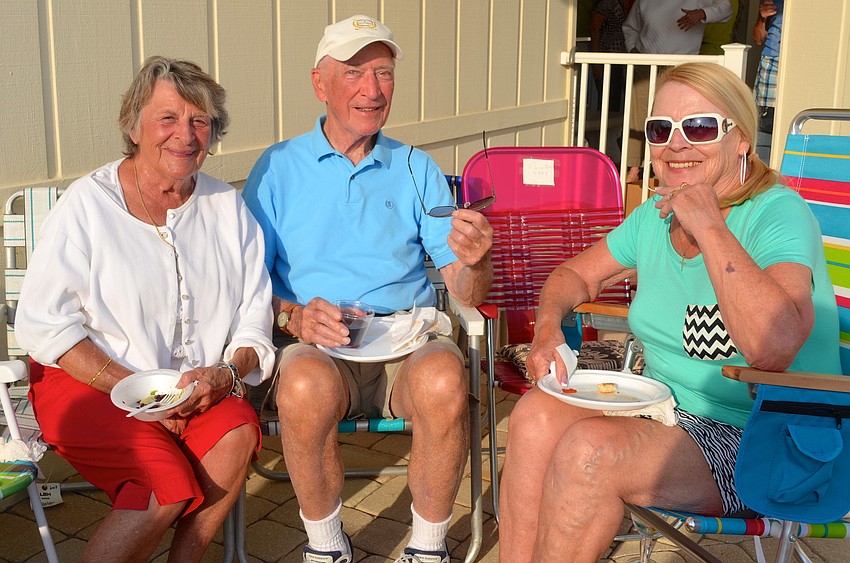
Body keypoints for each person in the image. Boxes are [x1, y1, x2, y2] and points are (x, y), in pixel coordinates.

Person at [497, 61, 840, 562]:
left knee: (591, 452)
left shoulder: (777, 213)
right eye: (661, 129)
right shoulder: (653, 217)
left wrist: (710, 224)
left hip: (763, 435)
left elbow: (774, 347)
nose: (676, 144)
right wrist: (549, 329)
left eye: (699, 127)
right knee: (533, 417)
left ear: (741, 140)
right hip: (665, 411)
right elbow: (573, 277)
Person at [241, 14, 493, 563]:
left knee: (446, 378)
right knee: (304, 386)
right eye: (355, 72)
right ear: (319, 82)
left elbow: (466, 291)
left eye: (383, 73)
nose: (372, 90)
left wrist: (475, 259)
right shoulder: (279, 168)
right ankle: (328, 547)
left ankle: (428, 548)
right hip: (316, 344)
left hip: (405, 338)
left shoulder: (414, 167)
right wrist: (291, 317)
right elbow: (244, 281)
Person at [14, 56, 276, 562]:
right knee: (163, 489)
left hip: (192, 388)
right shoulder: (88, 206)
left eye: (200, 121)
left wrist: (225, 373)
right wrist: (139, 396)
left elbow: (253, 314)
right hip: (91, 382)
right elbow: (45, 323)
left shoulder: (226, 207)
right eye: (168, 118)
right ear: (133, 127)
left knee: (238, 430)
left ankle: (188, 556)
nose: (186, 134)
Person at [622, 0, 733, 181]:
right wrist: (633, 50)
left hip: (682, 66)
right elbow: (630, 27)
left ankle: (668, 171)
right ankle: (634, 170)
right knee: (639, 116)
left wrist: (701, 13)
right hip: (646, 63)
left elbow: (726, 9)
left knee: (676, 120)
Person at [752, 0, 784, 162]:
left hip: (800, 59)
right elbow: (758, 38)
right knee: (765, 121)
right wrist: (762, 18)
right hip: (771, 61)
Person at [589, 0, 629, 113]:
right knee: (608, 101)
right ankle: (603, 129)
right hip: (607, 58)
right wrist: (597, 61)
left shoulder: (625, 4)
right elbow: (594, 29)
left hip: (621, 59)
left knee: (615, 100)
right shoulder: (608, 3)